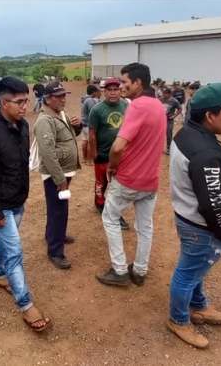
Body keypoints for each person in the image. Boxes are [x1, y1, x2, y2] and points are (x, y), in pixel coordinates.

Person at [167, 82, 221, 349]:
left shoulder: (185, 133)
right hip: (200, 227)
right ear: (210, 116)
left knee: (194, 268)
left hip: (186, 217)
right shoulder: (206, 152)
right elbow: (211, 202)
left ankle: (198, 306)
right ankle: (178, 319)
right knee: (187, 273)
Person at [0, 77, 52, 332]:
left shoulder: (23, 126)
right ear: (3, 102)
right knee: (15, 251)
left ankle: (0, 275)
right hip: (1, 204)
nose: (24, 106)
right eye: (19, 102)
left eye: (26, 100)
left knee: (6, 242)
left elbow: (21, 162)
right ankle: (26, 304)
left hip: (18, 199)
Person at [95, 63, 165, 287]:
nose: (122, 87)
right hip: (150, 181)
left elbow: (117, 147)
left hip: (129, 179)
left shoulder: (136, 106)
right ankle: (140, 270)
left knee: (109, 217)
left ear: (138, 83)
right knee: (145, 227)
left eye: (125, 82)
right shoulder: (158, 106)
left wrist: (112, 167)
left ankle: (119, 270)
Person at [33, 81, 82, 270]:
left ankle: (54, 235)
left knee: (58, 208)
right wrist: (60, 179)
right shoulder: (45, 120)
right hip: (56, 174)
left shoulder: (60, 114)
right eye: (58, 96)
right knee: (58, 211)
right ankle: (55, 251)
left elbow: (68, 137)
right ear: (47, 99)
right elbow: (47, 153)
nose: (63, 99)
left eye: (64, 95)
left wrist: (77, 126)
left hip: (63, 171)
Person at [87, 78, 130, 230]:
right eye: (109, 90)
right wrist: (94, 154)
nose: (113, 93)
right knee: (101, 182)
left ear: (120, 91)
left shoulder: (126, 105)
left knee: (119, 185)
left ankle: (115, 212)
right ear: (104, 92)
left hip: (121, 155)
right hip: (103, 153)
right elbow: (92, 133)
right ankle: (99, 202)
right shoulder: (97, 110)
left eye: (116, 89)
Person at [80, 85, 101, 165]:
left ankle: (84, 158)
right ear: (94, 92)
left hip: (83, 123)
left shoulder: (85, 99)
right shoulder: (90, 100)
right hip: (88, 123)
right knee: (90, 142)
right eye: (96, 92)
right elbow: (93, 112)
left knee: (84, 141)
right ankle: (89, 160)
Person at [160, 88, 182, 154]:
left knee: (169, 134)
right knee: (160, 134)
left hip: (169, 120)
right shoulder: (160, 99)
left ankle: (169, 148)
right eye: (163, 94)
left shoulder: (174, 101)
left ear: (169, 94)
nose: (163, 95)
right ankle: (160, 148)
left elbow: (180, 109)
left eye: (165, 94)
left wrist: (174, 116)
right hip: (161, 120)